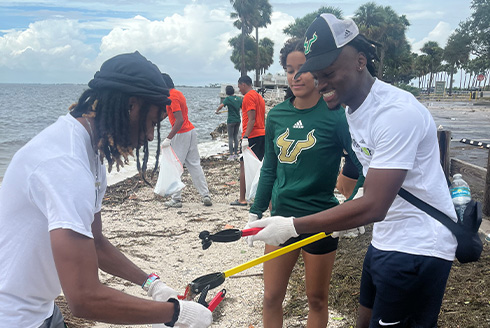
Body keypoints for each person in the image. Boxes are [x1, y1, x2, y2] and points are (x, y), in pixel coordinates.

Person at [247, 14, 457, 328]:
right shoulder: (353, 109)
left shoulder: (395, 113)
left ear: (361, 60)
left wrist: (292, 226)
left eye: (329, 72)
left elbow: (374, 205)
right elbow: (366, 175)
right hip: (385, 241)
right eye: (316, 75)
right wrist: (356, 193)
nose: (321, 83)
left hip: (418, 247)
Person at [0, 51, 212, 328]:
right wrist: (175, 313)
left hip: (41, 309)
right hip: (13, 317)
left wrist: (152, 284)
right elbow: (84, 298)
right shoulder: (65, 163)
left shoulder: (92, 152)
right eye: (151, 123)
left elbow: (96, 243)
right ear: (131, 106)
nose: (150, 135)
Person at [246, 38, 364, 328]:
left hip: (322, 221)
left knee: (317, 300)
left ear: (318, 71)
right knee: (271, 297)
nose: (295, 76)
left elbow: (364, 165)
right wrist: (255, 211)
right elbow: (269, 169)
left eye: (303, 69)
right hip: (280, 219)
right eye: (289, 69)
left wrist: (351, 207)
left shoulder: (337, 117)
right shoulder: (276, 115)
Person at [160, 73, 212, 208]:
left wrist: (168, 138)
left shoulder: (171, 97)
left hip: (181, 133)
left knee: (175, 166)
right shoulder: (177, 93)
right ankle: (205, 195)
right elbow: (169, 112)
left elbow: (179, 120)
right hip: (191, 131)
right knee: (195, 165)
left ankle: (176, 199)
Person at [230, 75, 266, 206]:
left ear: (243, 84)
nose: (239, 89)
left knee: (243, 166)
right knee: (258, 167)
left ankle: (242, 198)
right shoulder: (258, 96)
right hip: (262, 133)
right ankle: (259, 196)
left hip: (252, 135)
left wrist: (245, 137)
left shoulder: (249, 96)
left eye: (239, 86)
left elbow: (251, 119)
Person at [215, 85, 242, 160]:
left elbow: (221, 106)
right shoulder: (239, 99)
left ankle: (231, 155)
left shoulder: (228, 99)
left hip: (231, 121)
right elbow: (242, 107)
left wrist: (217, 111)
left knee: (230, 138)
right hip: (238, 120)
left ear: (227, 92)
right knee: (235, 137)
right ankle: (236, 154)